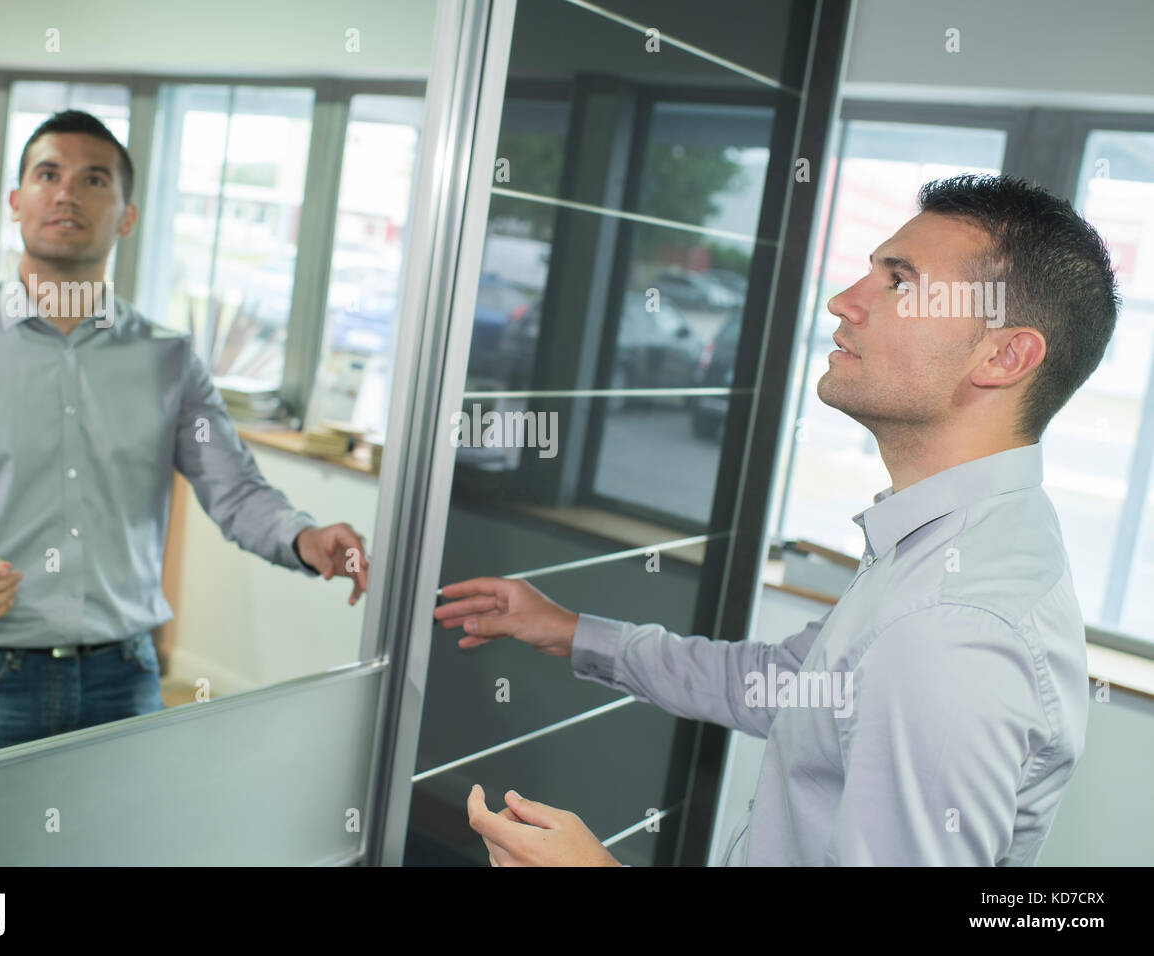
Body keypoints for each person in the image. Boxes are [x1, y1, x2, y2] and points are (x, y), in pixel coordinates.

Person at [435, 173, 1118, 866]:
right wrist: (571, 633)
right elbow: (788, 688)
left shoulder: (947, 628)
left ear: (1004, 357)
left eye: (899, 283)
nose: (844, 302)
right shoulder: (958, 543)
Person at [0, 110, 369, 763]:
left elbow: (237, 492)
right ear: (16, 202)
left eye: (94, 179)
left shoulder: (168, 358)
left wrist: (304, 537)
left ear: (126, 216)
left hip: (124, 679)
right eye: (48, 173)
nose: (67, 191)